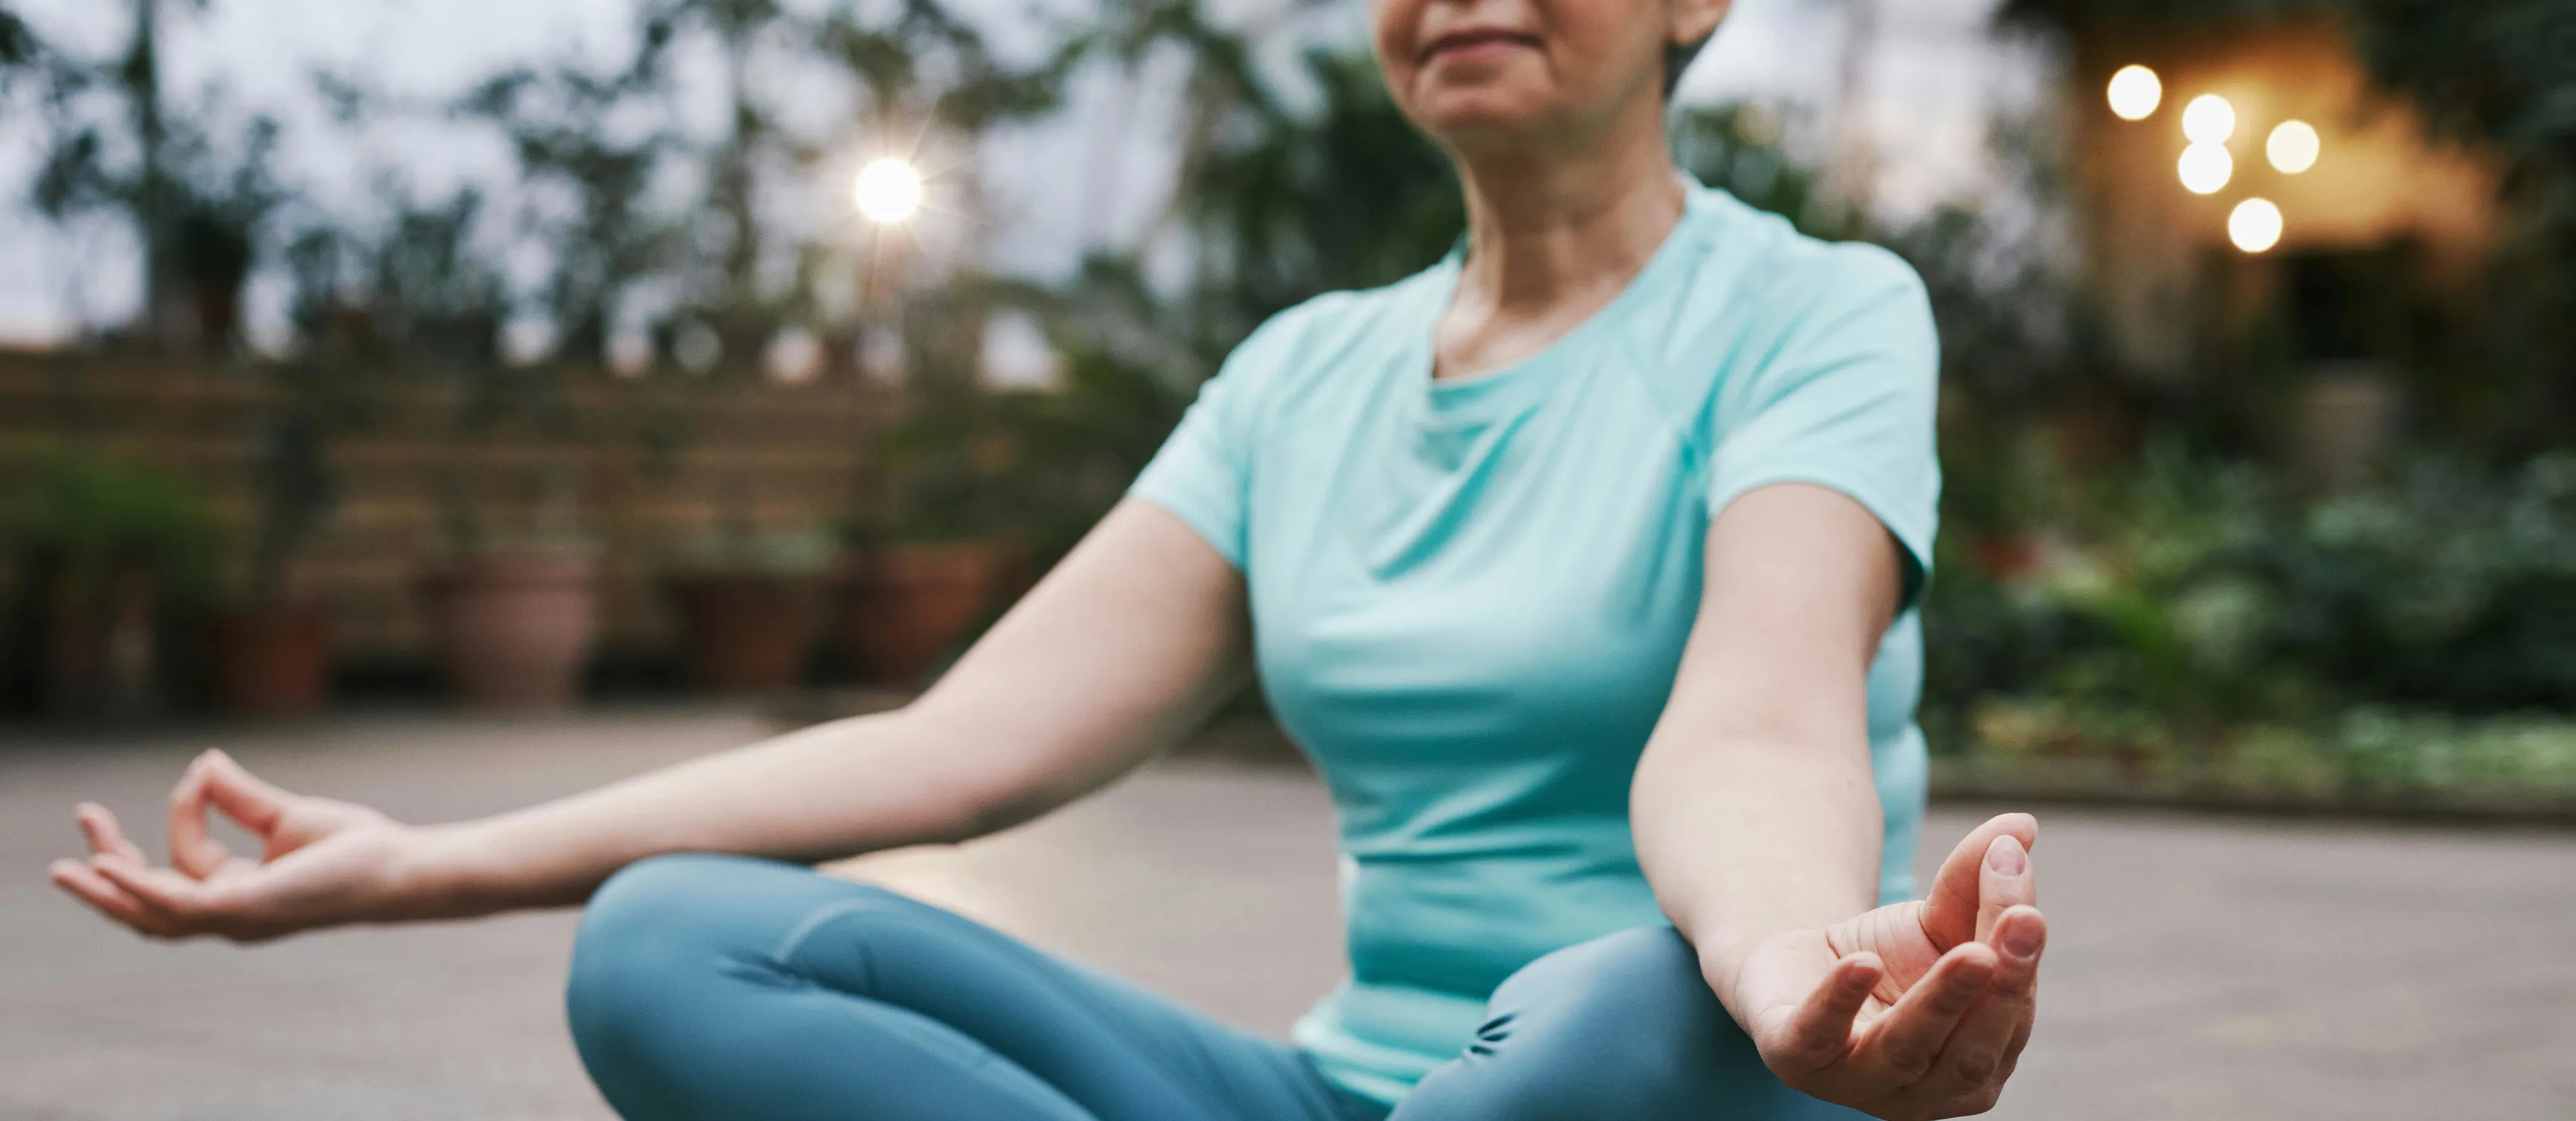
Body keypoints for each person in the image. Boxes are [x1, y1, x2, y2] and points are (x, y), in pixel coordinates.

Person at [48, 0, 2051, 1117]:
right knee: (676, 939)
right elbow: (963, 742)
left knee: (1616, 1012)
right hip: (1343, 1099)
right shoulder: (1303, 378)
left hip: (1671, 1072)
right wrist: (416, 864)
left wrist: (1795, 967)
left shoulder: (1817, 312)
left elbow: (1761, 731)